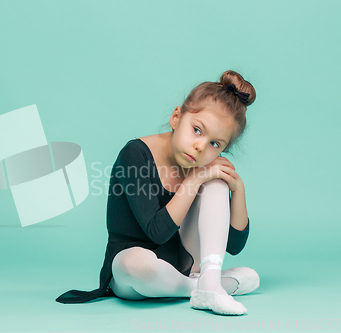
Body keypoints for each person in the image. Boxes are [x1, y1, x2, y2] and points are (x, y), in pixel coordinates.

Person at [56, 70, 260, 316]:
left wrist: (238, 190)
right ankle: (210, 285)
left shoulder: (204, 163)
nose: (200, 146)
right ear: (176, 117)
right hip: (134, 271)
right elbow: (157, 232)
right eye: (197, 130)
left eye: (215, 144)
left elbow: (235, 245)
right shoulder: (135, 155)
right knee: (135, 265)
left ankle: (210, 280)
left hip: (184, 263)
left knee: (217, 182)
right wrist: (194, 179)